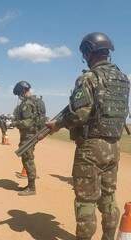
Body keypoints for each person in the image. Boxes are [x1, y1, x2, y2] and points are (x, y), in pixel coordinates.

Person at [46, 32, 130, 240]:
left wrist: (57, 124)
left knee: (86, 201)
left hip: (91, 148)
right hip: (114, 146)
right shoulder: (123, 78)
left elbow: (80, 114)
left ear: (88, 52)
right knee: (109, 197)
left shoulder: (89, 78)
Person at [13, 81, 46, 196]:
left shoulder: (27, 103)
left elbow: (27, 122)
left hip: (29, 135)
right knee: (27, 158)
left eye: (18, 94)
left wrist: (15, 123)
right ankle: (30, 185)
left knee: (28, 159)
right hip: (34, 134)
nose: (19, 97)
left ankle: (32, 188)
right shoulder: (35, 101)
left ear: (22, 91)